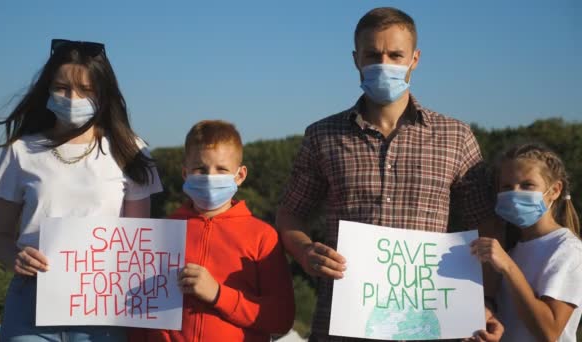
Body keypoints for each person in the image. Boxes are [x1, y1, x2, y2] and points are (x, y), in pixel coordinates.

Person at [275, 7, 504, 342]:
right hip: (342, 325)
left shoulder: (456, 136)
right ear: (356, 59)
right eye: (373, 54)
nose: (384, 63)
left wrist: (484, 302)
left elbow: (488, 226)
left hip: (431, 327)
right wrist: (305, 251)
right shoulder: (322, 136)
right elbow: (290, 215)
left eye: (395, 54)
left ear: (415, 59)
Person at [0, 39, 163, 341]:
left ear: (104, 94)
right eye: (62, 88)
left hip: (103, 308)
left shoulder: (131, 151)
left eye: (86, 90)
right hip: (31, 303)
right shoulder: (21, 150)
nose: (72, 98)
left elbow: (138, 241)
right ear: (47, 91)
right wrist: (15, 257)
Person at [130, 120, 295, 341]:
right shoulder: (160, 232)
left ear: (240, 175)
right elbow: (138, 311)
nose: (210, 177)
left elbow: (281, 319)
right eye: (200, 169)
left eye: (222, 169)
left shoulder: (263, 237)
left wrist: (218, 294)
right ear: (184, 173)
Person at [471, 143, 582, 341]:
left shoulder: (567, 250)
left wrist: (508, 267)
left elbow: (548, 331)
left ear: (555, 190)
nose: (515, 194)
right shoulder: (512, 247)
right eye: (506, 186)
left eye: (527, 185)